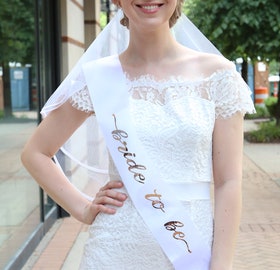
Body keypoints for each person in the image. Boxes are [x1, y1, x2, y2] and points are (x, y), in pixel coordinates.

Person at [21, 0, 255, 269]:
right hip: (113, 250)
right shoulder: (99, 78)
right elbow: (35, 153)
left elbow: (229, 181)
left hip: (190, 249)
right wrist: (82, 208)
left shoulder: (217, 75)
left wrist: (221, 265)